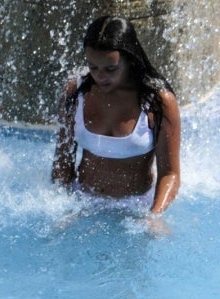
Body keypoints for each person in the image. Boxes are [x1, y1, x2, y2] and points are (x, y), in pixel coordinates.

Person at [52, 15, 181, 214]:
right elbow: (63, 161)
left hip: (134, 207)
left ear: (129, 60)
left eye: (110, 69)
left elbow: (170, 173)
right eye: (93, 67)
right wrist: (62, 205)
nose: (100, 76)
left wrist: (154, 216)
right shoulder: (75, 92)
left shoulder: (158, 101)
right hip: (82, 201)